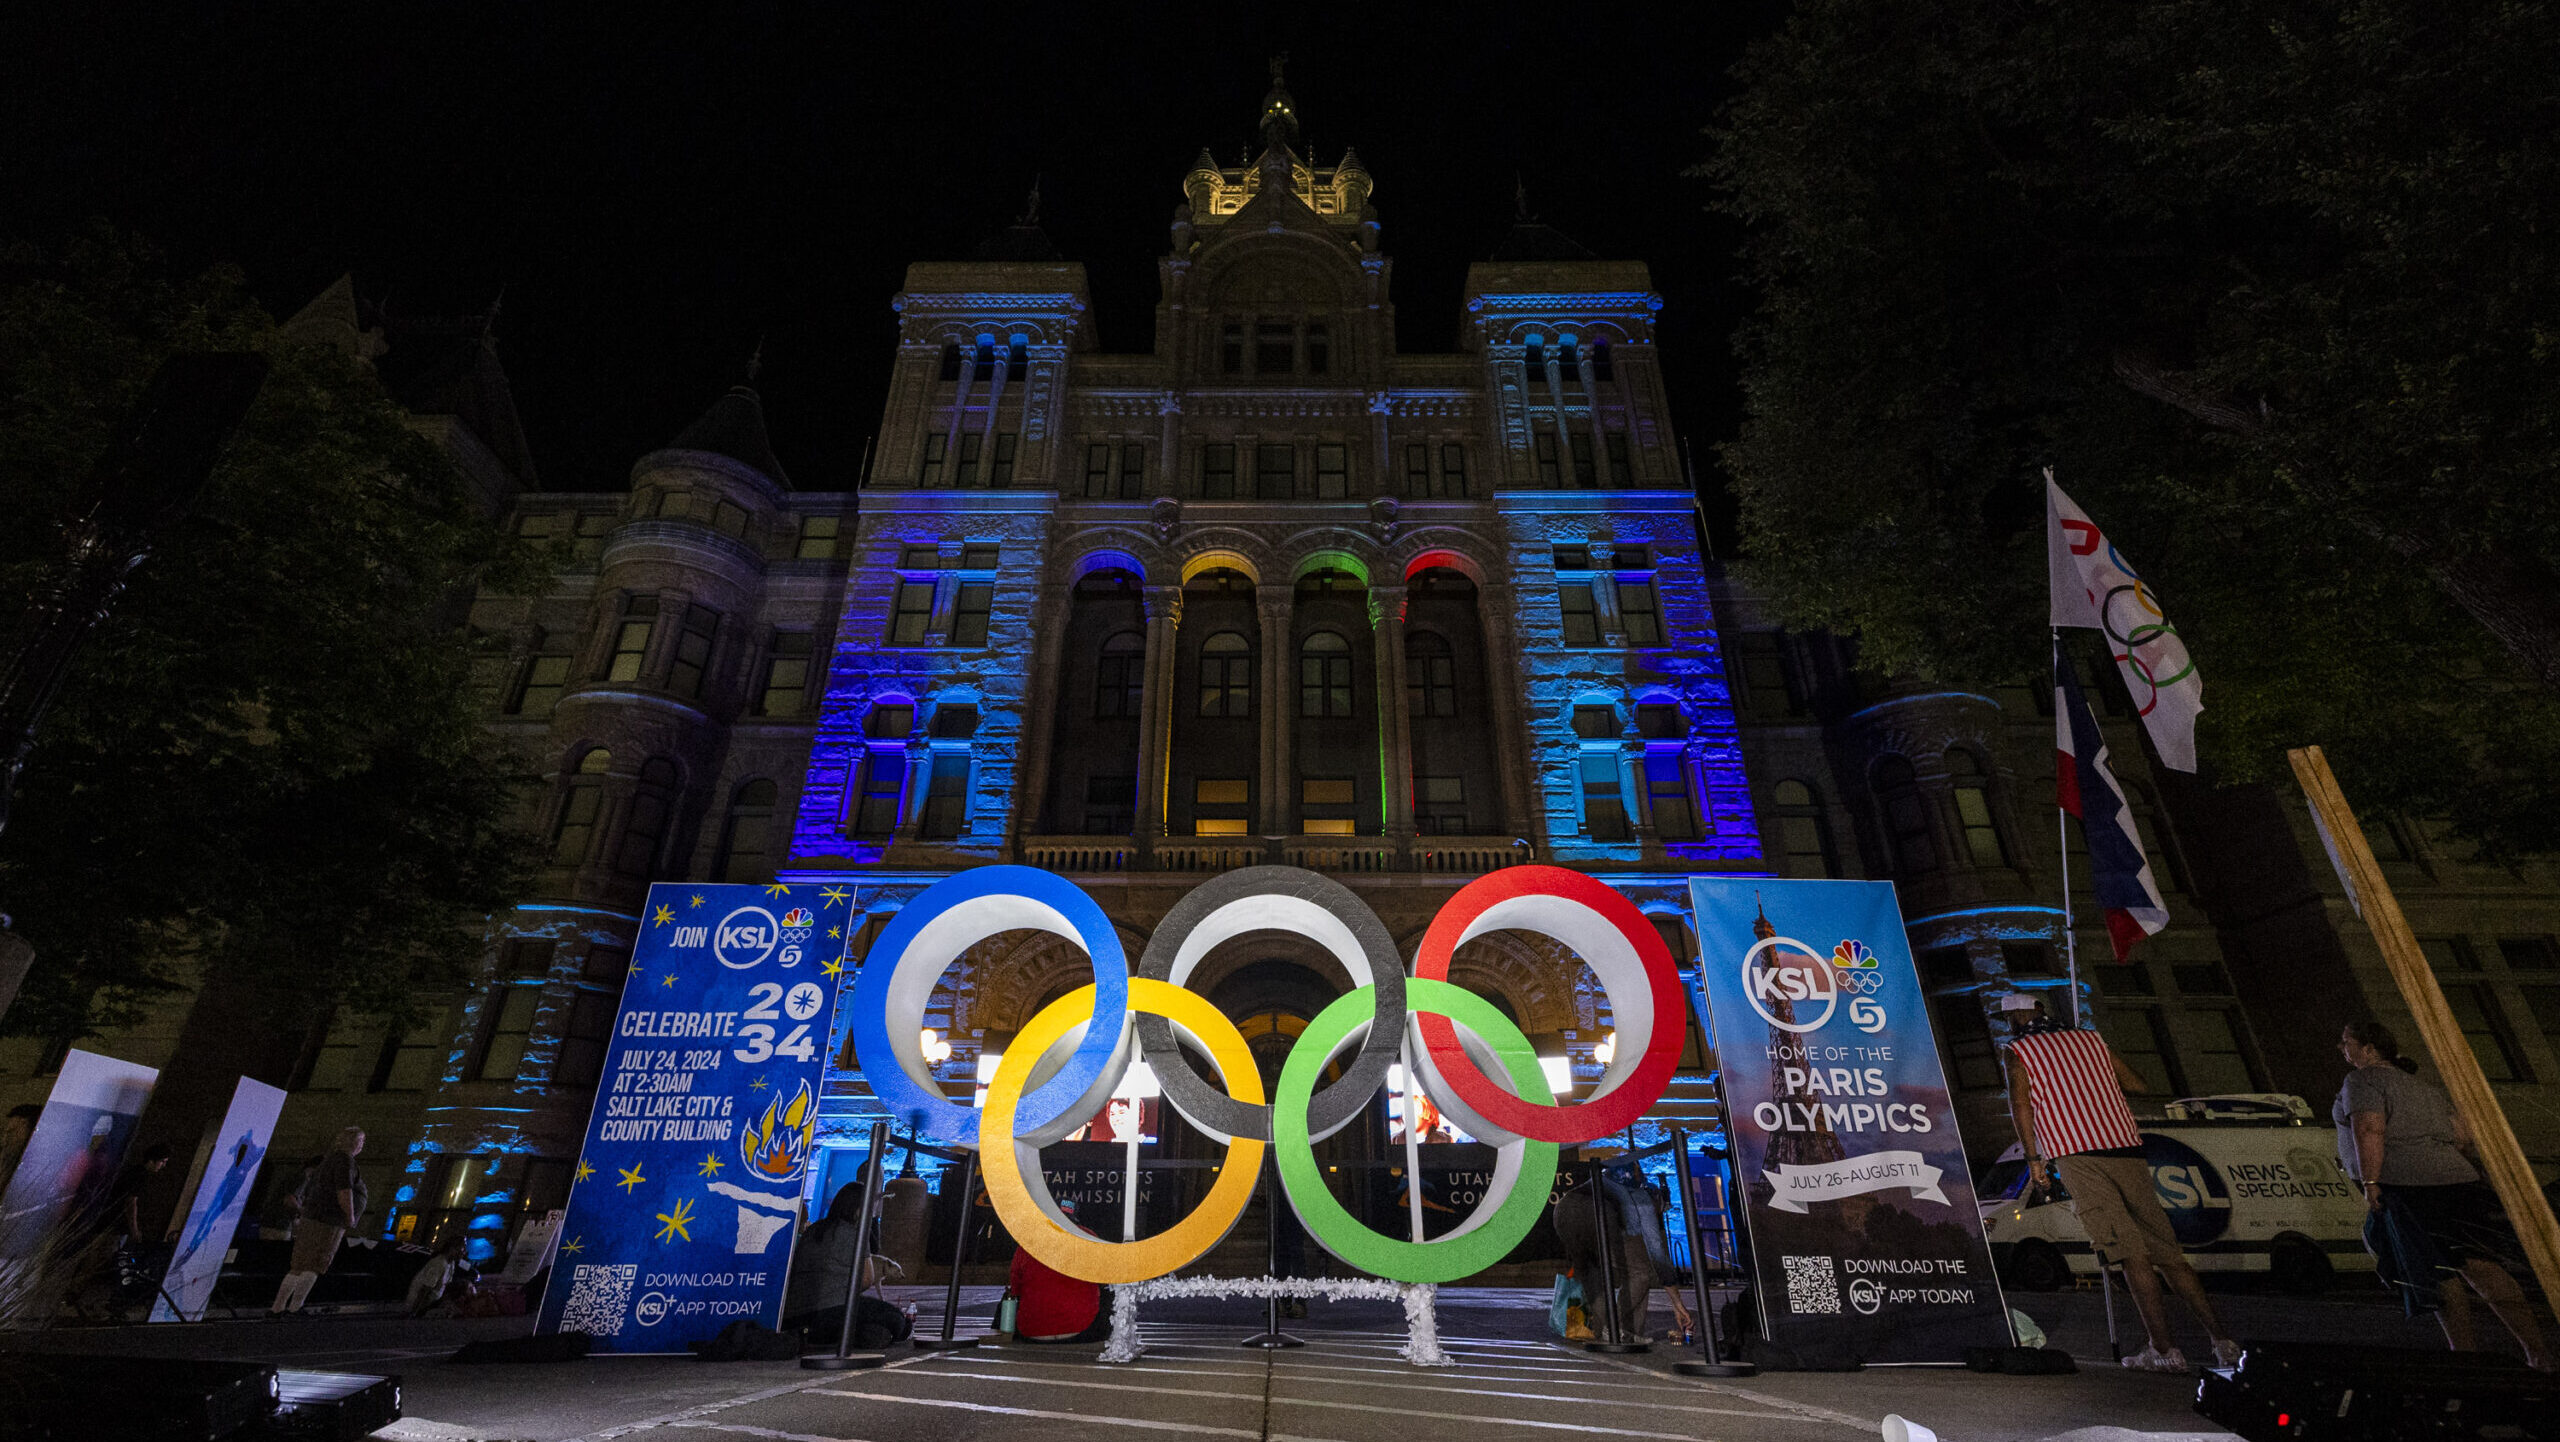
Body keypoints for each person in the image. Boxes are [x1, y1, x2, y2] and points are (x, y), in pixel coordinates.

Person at [2000, 992, 2238, 1373]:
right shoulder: (2092, 1039)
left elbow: (2021, 1104)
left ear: (2017, 1018)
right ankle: (2223, 1342)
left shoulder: (2018, 1050)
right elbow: (2138, 1084)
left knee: (2130, 1254)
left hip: (2078, 1152)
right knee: (2169, 1253)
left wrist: (2034, 1159)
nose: (2007, 1025)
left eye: (2007, 1019)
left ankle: (2164, 1349)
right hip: (2125, 1146)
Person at [2337, 1019, 2549, 1367]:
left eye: (2347, 1042)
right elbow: (2462, 1137)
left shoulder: (2362, 1080)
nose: (2342, 1048)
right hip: (2458, 1183)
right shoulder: (2422, 1087)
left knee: (2435, 1270)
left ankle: (2463, 1359)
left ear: (2370, 1049)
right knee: (2482, 1266)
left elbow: (2370, 1128)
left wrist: (2371, 1181)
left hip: (2410, 1186)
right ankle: (2538, 1354)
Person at [269, 1127, 365, 1318]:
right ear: (353, 1143)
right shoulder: (345, 1162)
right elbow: (344, 1191)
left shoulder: (327, 1161)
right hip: (328, 1220)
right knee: (315, 1263)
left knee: (298, 1264)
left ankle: (278, 1307)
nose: (362, 1146)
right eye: (361, 1141)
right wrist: (350, 1216)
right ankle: (296, 1307)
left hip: (311, 1217)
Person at [1552, 1163, 1654, 1343]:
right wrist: (1677, 1302)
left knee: (1591, 1270)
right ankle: (1621, 1329)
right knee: (1640, 1272)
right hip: (1596, 1212)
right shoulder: (1640, 1197)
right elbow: (1658, 1251)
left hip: (1563, 1210)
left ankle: (1603, 1327)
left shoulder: (1609, 1176)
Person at [1005, 1198, 1106, 1343]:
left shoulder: (1029, 1241)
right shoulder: (1088, 1236)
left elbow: (1015, 1285)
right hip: (1079, 1329)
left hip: (1033, 1331)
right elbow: (1103, 1275)